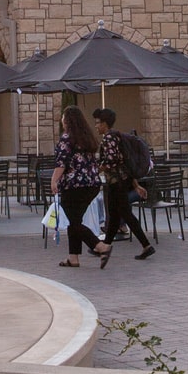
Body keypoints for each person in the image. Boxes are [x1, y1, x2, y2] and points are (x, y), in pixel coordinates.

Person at [53, 106, 112, 268]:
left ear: (68, 120)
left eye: (63, 117)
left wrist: (54, 180)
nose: (62, 120)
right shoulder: (87, 137)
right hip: (91, 185)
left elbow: (61, 163)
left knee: (74, 221)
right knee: (75, 220)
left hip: (74, 186)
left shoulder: (67, 138)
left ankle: (101, 247)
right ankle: (73, 258)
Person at [93, 108, 155, 260]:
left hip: (117, 183)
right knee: (114, 216)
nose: (96, 126)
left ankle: (146, 245)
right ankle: (105, 246)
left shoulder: (109, 138)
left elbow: (111, 160)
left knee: (125, 214)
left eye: (98, 123)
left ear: (105, 124)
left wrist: (96, 170)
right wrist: (135, 185)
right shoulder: (117, 136)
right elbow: (123, 163)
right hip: (121, 181)